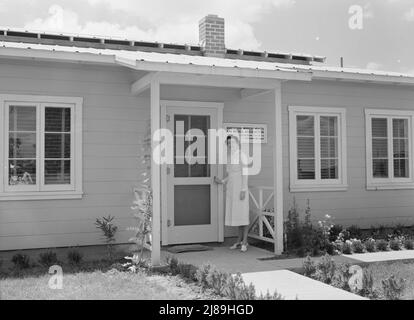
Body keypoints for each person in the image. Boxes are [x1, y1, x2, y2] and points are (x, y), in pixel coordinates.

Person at [214, 135, 250, 252]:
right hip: (232, 189)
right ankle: (239, 241)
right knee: (238, 216)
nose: (231, 145)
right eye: (228, 143)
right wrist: (222, 181)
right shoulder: (229, 157)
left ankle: (245, 241)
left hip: (240, 189)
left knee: (243, 216)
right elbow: (231, 175)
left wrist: (243, 190)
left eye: (232, 143)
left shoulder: (241, 155)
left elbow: (245, 173)